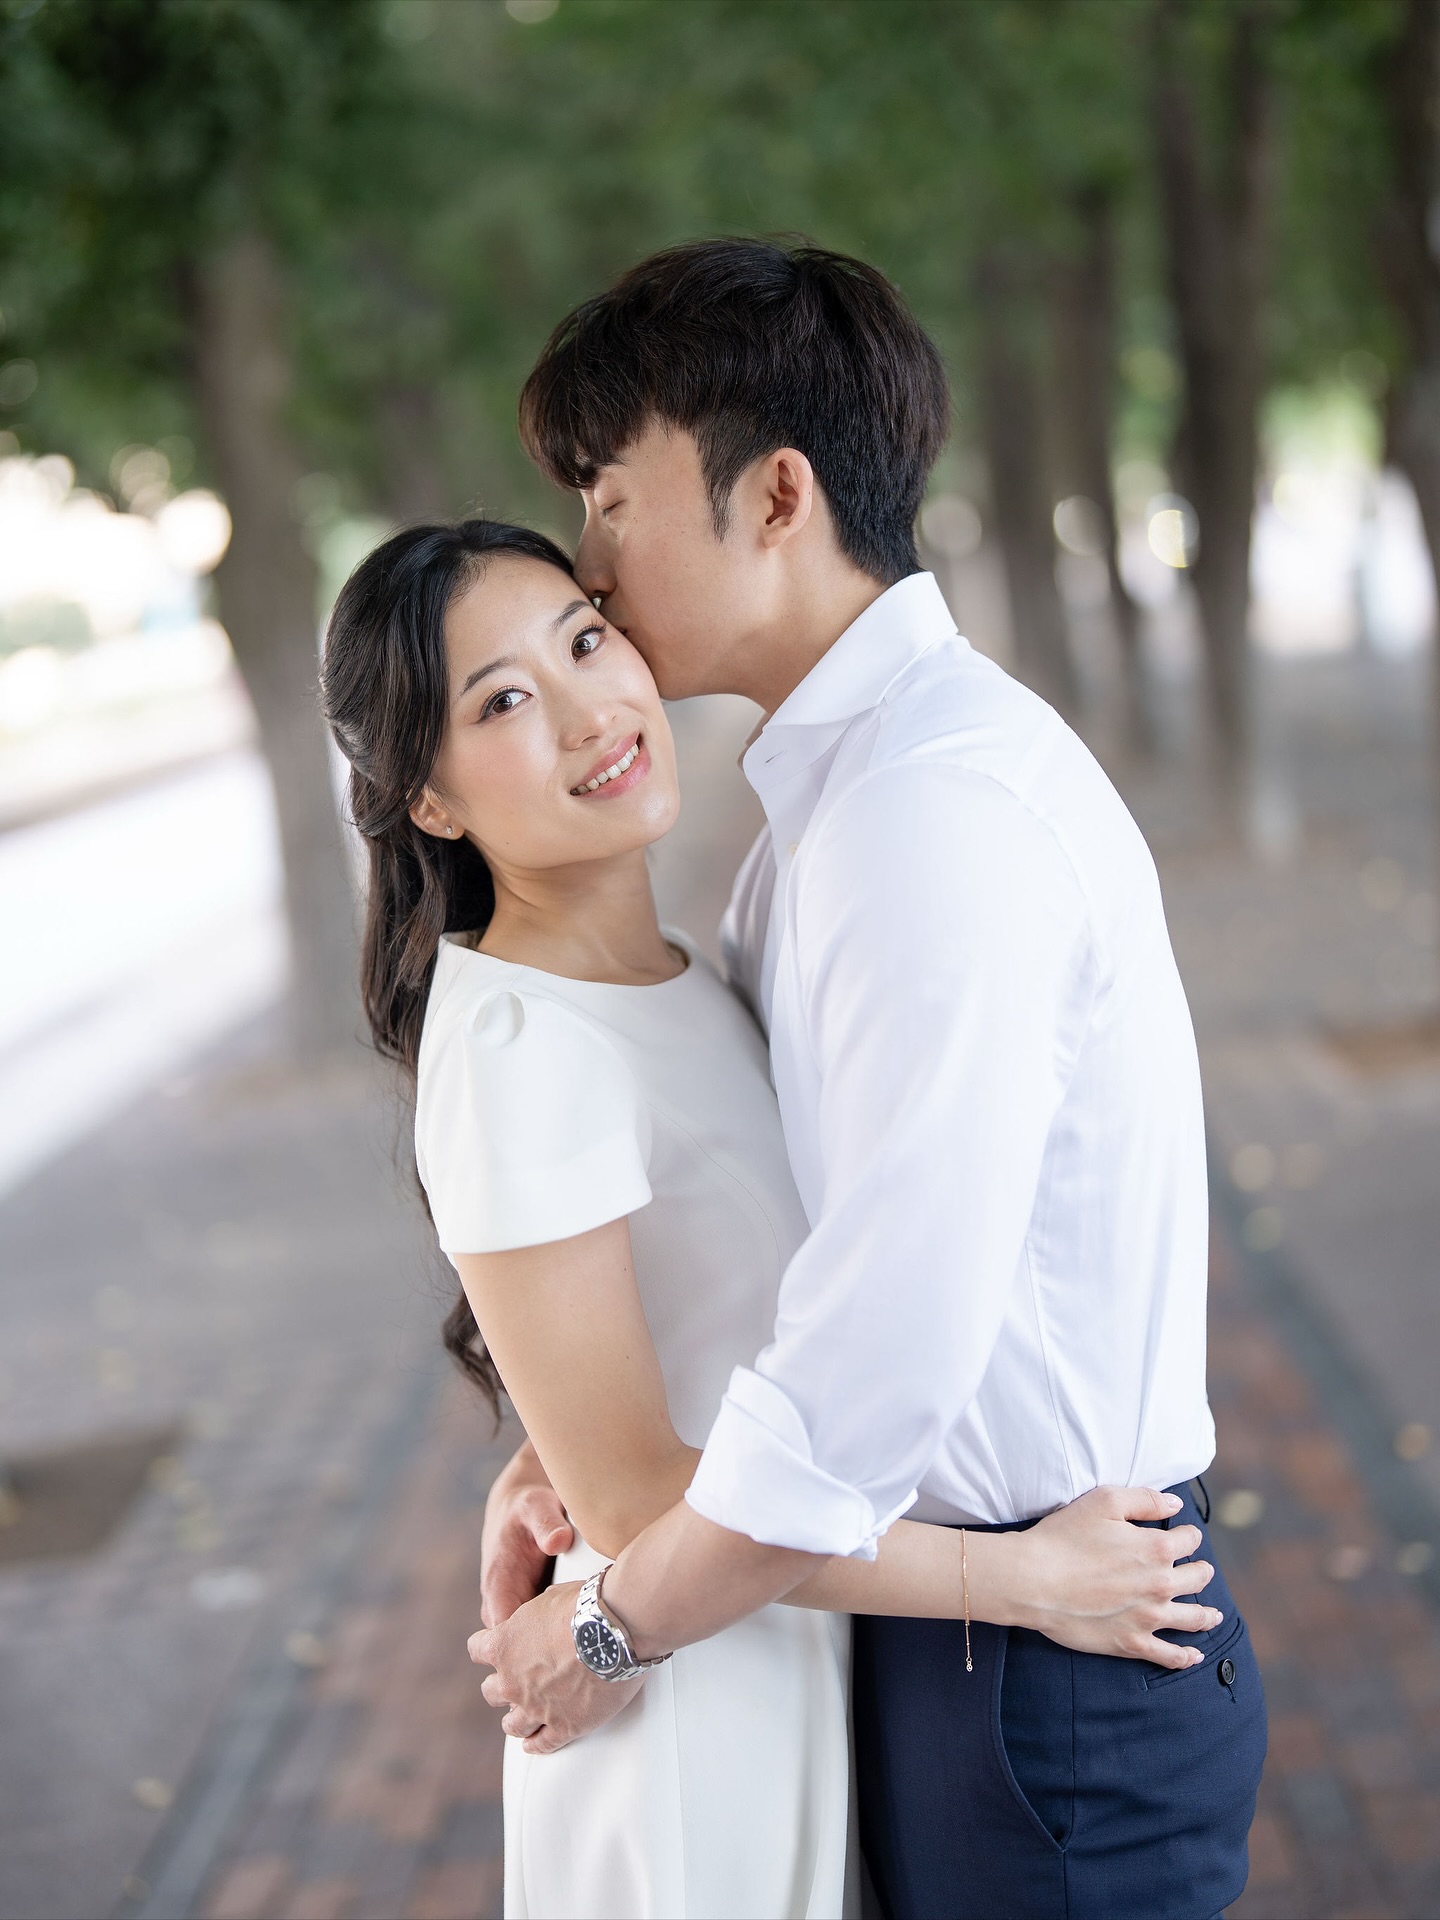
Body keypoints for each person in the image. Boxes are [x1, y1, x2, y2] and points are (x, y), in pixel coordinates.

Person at [472, 238, 1269, 1920]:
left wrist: (609, 1620)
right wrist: (581, 1450)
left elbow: (874, 1358)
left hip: (1057, 1669)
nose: (593, 565)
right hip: (963, 1634)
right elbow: (760, 1220)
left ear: (774, 497)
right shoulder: (833, 807)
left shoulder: (928, 820)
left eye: (614, 501)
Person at [322, 517, 1231, 1920]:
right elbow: (636, 1506)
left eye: (584, 640)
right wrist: (1022, 1581)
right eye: (503, 701)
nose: (588, 711)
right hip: (695, 1705)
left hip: (792, 1644)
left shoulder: (704, 958)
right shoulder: (518, 1043)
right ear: (428, 798)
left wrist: (546, 1453)